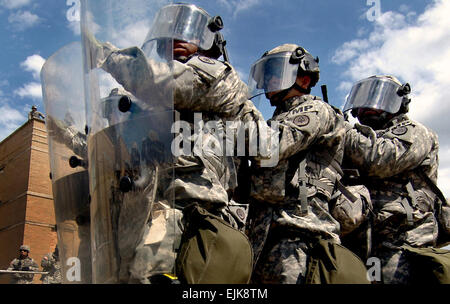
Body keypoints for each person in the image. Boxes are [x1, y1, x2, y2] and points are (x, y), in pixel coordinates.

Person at [84, 3, 266, 283]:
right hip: (144, 210)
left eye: (187, 32)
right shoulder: (150, 103)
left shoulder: (215, 74)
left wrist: (104, 54)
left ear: (208, 41)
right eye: (169, 36)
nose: (176, 40)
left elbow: (163, 83)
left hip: (189, 213)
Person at [245, 44, 359, 284]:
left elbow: (272, 146)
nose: (269, 80)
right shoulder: (273, 122)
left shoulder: (315, 110)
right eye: (267, 74)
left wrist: (237, 105)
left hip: (301, 239)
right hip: (265, 239)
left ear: (305, 79)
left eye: (276, 72)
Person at [342, 75, 450, 284]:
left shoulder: (415, 132)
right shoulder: (359, 140)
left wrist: (341, 128)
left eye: (376, 99)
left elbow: (381, 159)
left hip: (404, 244)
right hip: (364, 245)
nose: (367, 108)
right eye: (363, 103)